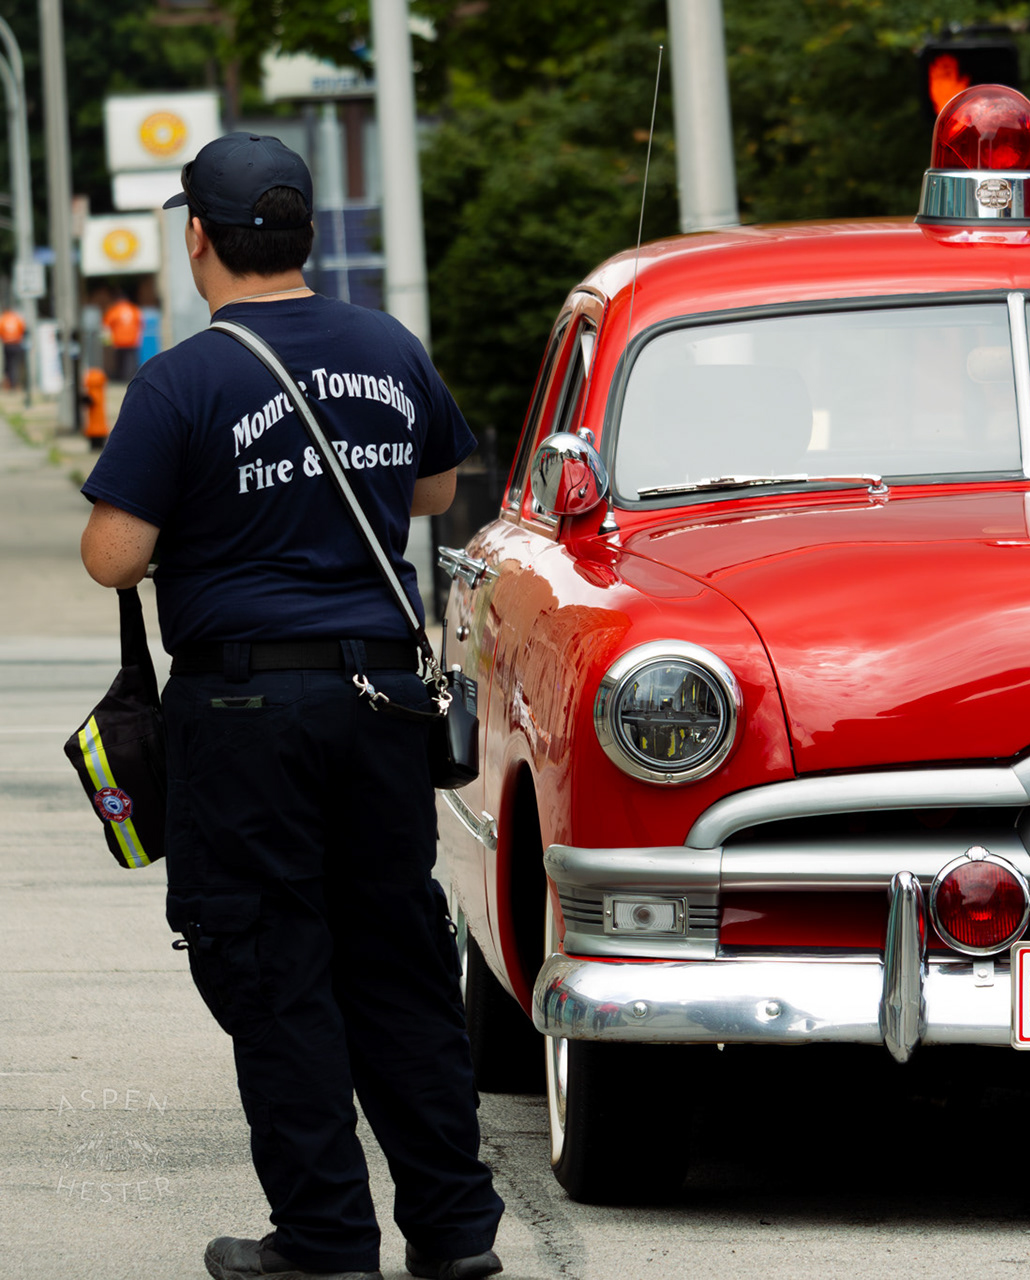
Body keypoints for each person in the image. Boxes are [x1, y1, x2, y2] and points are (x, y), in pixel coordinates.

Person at [77, 133, 504, 1280]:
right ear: (307, 231)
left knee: (272, 969)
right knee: (396, 961)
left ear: (198, 237)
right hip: (378, 702)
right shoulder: (386, 346)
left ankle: (325, 1239)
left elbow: (114, 556)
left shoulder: (184, 376)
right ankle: (456, 1233)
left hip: (247, 708)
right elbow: (430, 488)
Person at [103, 294, 142, 382]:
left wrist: (107, 341)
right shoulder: (133, 309)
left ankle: (121, 377)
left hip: (119, 340)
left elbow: (106, 325)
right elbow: (140, 323)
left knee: (120, 360)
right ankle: (130, 376)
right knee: (131, 361)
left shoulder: (115, 310)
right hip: (132, 339)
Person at [0, 305, 26, 390]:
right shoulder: (17, 318)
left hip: (8, 344)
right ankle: (16, 383)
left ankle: (10, 383)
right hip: (17, 343)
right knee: (16, 364)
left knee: (9, 365)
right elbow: (23, 329)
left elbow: (1, 331)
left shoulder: (3, 319)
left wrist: (5, 338)